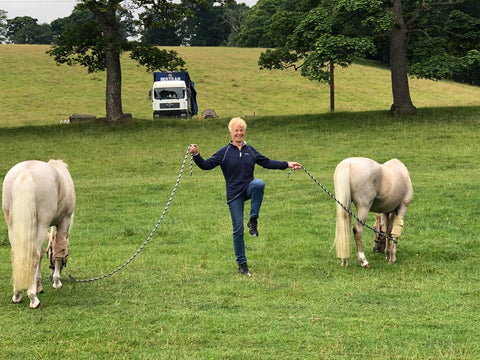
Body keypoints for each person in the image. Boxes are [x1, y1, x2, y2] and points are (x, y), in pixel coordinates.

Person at [189, 117, 302, 276]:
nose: (239, 133)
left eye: (241, 130)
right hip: (234, 194)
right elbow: (206, 165)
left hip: (248, 189)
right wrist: (196, 154)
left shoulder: (250, 150)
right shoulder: (224, 152)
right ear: (231, 132)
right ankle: (242, 265)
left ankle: (253, 220)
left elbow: (267, 162)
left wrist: (288, 164)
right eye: (236, 130)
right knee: (237, 230)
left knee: (259, 183)